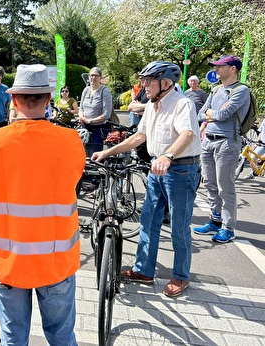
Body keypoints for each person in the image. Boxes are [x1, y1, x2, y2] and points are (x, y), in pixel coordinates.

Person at [0, 64, 85, 345]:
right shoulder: (71, 141)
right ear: (48, 99)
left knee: (14, 339)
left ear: (13, 99)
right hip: (55, 259)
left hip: (8, 262)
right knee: (62, 338)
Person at [92, 61, 201, 298]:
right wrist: (107, 152)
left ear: (165, 83)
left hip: (181, 171)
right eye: (144, 80)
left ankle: (181, 277)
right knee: (148, 220)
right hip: (156, 169)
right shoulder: (152, 106)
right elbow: (140, 136)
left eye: (149, 81)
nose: (144, 86)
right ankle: (144, 270)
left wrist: (168, 156)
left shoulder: (183, 104)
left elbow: (188, 133)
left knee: (179, 227)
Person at [194, 56, 250, 243]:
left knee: (225, 187)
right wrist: (212, 115)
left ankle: (228, 228)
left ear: (232, 69)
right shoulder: (216, 89)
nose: (216, 70)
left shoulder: (241, 90)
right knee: (209, 183)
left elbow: (223, 114)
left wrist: (213, 114)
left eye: (220, 67)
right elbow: (202, 113)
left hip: (227, 142)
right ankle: (215, 219)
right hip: (208, 141)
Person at [78, 67, 113, 155]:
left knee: (95, 154)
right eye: (91, 75)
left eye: (95, 76)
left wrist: (90, 121)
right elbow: (81, 107)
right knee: (83, 153)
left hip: (98, 127)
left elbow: (106, 114)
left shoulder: (104, 91)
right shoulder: (86, 90)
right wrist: (81, 117)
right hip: (85, 127)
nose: (93, 78)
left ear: (100, 78)